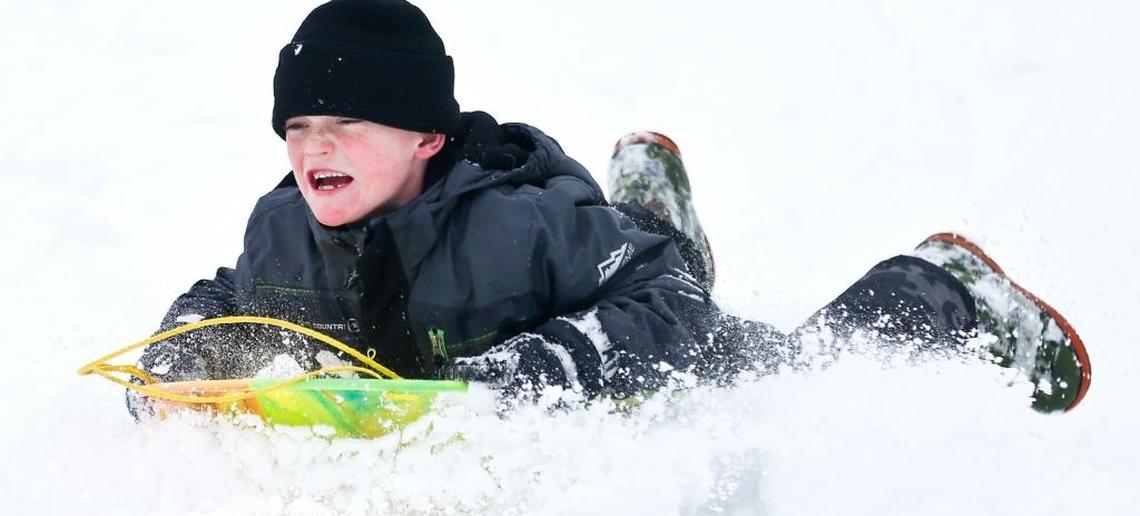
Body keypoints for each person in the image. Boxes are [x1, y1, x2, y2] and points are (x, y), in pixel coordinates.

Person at [132, 0, 1090, 418]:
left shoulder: (519, 228)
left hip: (669, 357)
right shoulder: (285, 230)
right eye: (297, 125)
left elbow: (671, 305)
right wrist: (187, 354)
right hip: (598, 272)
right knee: (643, 246)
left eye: (346, 122)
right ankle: (649, 197)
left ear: (426, 136)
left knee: (792, 374)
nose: (313, 150)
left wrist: (550, 365)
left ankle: (943, 286)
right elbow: (234, 299)